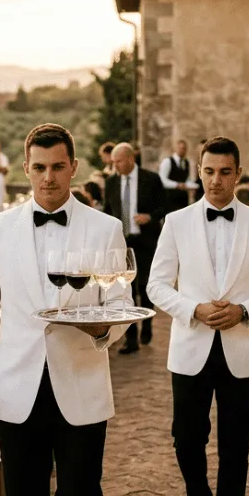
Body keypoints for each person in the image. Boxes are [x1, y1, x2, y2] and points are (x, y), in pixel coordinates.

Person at [0, 123, 131, 496]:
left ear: (73, 167)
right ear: (25, 169)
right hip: (18, 391)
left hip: (82, 384)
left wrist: (101, 330)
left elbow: (121, 304)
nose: (48, 177)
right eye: (39, 167)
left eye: (58, 166)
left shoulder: (104, 227)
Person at [147, 136, 249, 496]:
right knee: (185, 437)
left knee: (235, 446)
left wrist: (244, 311)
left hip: (240, 349)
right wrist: (193, 309)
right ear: (199, 171)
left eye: (225, 172)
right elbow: (155, 285)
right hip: (190, 346)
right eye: (208, 171)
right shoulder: (176, 222)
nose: (216, 180)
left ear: (238, 174)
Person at [104, 142, 167, 354]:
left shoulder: (151, 179)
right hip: (121, 243)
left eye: (118, 162)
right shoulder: (111, 182)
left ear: (130, 159)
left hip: (146, 241)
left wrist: (149, 217)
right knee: (125, 289)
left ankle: (147, 325)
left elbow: (164, 207)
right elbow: (106, 211)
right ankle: (130, 339)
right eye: (113, 163)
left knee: (145, 288)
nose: (115, 166)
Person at [160, 139, 196, 213]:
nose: (182, 150)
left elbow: (187, 178)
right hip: (170, 198)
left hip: (183, 199)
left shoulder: (187, 162)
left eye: (184, 149)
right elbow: (162, 180)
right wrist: (177, 185)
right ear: (176, 148)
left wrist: (189, 185)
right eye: (181, 148)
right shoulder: (167, 161)